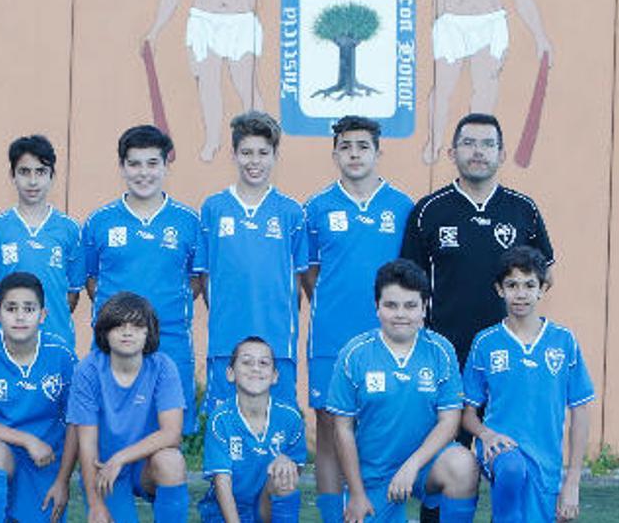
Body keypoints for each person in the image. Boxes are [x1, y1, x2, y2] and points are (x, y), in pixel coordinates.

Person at [302, 115, 414, 522]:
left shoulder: (402, 206)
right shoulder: (315, 208)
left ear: (378, 152)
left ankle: (380, 511)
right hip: (331, 338)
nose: (354, 153)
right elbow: (309, 273)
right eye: (345, 146)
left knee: (379, 431)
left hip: (387, 341)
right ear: (334, 153)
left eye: (362, 146)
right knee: (331, 432)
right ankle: (334, 516)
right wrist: (333, 303)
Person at [327, 259, 479, 523]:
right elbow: (342, 429)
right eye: (391, 305)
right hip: (373, 475)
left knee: (463, 464)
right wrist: (356, 493)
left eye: (410, 306)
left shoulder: (440, 350)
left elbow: (450, 420)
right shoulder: (354, 354)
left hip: (424, 465)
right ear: (377, 307)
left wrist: (412, 465)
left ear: (424, 308)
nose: (401, 314)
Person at [401, 112, 555, 366]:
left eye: (487, 144)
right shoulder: (428, 210)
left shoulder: (523, 209)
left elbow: (546, 274)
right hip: (444, 351)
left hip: (509, 353)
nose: (478, 151)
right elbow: (409, 282)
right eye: (469, 143)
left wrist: (521, 322)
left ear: (502, 154)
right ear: (452, 153)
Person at [83, 125, 201, 434]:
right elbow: (92, 281)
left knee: (167, 441)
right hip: (113, 347)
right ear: (122, 167)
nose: (143, 173)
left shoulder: (189, 222)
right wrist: (120, 321)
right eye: (134, 164)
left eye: (152, 163)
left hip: (171, 342)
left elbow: (196, 280)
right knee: (112, 431)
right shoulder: (99, 221)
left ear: (165, 166)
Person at [462, 246, 594, 522]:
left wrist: (572, 483)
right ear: (499, 289)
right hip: (500, 451)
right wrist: (486, 436)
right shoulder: (486, 342)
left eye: (529, 285)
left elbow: (581, 410)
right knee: (511, 468)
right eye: (512, 285)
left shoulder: (563, 341)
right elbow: (467, 413)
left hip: (546, 463)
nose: (520, 294)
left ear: (542, 289)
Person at [195, 111, 307, 411]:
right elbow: (205, 277)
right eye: (246, 153)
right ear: (233, 155)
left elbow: (296, 281)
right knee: (224, 421)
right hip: (226, 337)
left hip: (277, 338)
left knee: (280, 420)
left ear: (275, 156)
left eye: (262, 153)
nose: (254, 161)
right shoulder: (214, 208)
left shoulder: (291, 212)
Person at [0, 272, 79, 522]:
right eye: (11, 308)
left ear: (42, 315)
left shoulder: (62, 355)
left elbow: (76, 422)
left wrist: (63, 481)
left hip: (45, 458)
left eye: (29, 308)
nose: (20, 316)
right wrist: (26, 440)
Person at [67, 292, 190, 523]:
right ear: (105, 331)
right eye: (118, 325)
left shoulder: (163, 366)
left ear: (148, 331)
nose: (127, 331)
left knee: (171, 461)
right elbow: (87, 444)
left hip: (145, 464)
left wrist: (121, 458)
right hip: (103, 468)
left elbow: (172, 434)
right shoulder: (88, 370)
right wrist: (95, 504)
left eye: (136, 325)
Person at [422, 0, 552, 164]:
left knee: (486, 88)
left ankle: (477, 144)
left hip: (489, 22)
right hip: (451, 22)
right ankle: (434, 143)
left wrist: (540, 37)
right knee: (443, 88)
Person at [145, 0, 267, 161]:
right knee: (207, 86)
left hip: (240, 20)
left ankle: (254, 142)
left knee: (246, 86)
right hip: (204, 20)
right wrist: (155, 31)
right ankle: (212, 140)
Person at [0, 135, 84, 345]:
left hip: (56, 341)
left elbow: (72, 295)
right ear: (12, 175)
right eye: (24, 172)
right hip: (6, 343)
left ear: (52, 176)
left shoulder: (70, 229)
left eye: (41, 172)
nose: (32, 181)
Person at [199, 337, 305, 523]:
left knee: (284, 474)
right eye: (247, 362)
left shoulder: (290, 417)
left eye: (263, 363)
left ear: (274, 376)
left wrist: (286, 462)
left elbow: (296, 472)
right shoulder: (220, 419)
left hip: (265, 505)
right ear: (230, 373)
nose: (255, 368)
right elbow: (222, 482)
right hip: (225, 510)